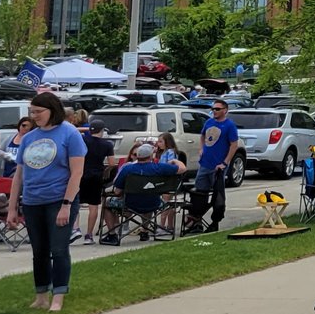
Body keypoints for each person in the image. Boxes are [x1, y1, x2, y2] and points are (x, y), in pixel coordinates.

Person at [8, 91, 87, 313]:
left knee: (59, 249)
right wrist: (13, 207)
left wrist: (66, 204)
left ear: (52, 109)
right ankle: (41, 295)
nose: (35, 116)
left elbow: (77, 172)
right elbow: (19, 175)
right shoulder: (29, 138)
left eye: (38, 112)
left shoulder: (70, 134)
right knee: (39, 251)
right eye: (31, 112)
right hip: (33, 201)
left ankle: (58, 296)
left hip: (58, 199)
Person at [100, 141, 179, 243]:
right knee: (148, 197)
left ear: (137, 156)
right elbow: (182, 169)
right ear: (151, 156)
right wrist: (176, 161)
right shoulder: (159, 167)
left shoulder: (127, 169)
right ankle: (145, 231)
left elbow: (117, 191)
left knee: (107, 203)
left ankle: (112, 235)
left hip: (130, 204)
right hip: (154, 203)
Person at [188, 99, 241, 232]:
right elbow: (202, 136)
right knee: (199, 193)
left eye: (217, 109)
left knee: (217, 195)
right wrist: (201, 149)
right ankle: (197, 222)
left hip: (218, 166)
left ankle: (215, 222)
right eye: (213, 109)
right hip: (205, 163)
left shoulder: (229, 125)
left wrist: (225, 162)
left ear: (225, 110)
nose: (214, 111)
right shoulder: (209, 122)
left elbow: (234, 145)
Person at [77, 120, 116, 245]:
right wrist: (106, 170)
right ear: (102, 130)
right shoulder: (107, 144)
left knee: (75, 204)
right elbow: (111, 163)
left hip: (81, 174)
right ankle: (89, 234)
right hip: (96, 176)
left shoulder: (83, 140)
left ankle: (75, 229)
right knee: (93, 206)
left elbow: (74, 131)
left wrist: (85, 130)